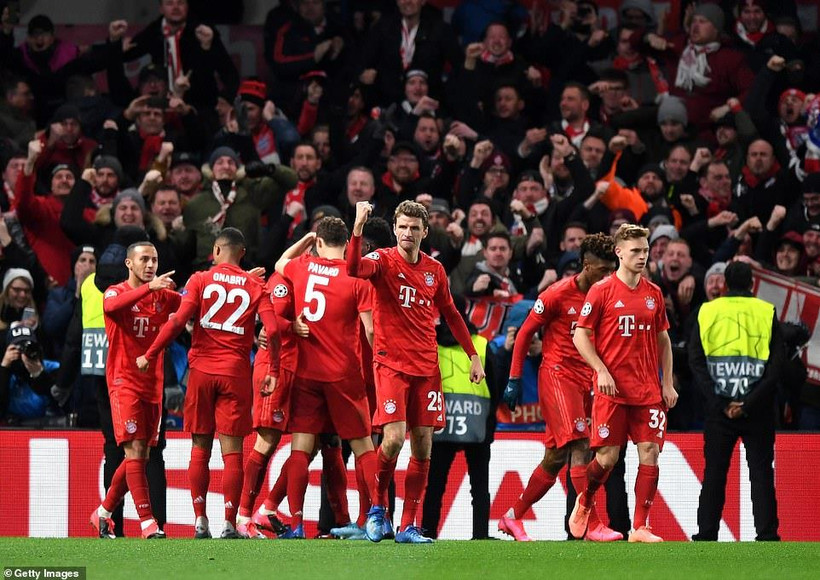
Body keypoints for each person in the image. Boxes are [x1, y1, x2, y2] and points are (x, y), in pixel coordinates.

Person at [346, 199, 486, 544]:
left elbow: (452, 314)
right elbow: (352, 268)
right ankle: (377, 510)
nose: (407, 233)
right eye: (402, 227)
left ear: (425, 232)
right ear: (394, 229)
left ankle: (409, 525)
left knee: (423, 448)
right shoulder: (381, 260)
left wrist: (473, 355)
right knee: (393, 439)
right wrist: (358, 227)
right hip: (391, 364)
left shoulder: (434, 271)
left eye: (414, 228)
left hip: (427, 367)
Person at [137, 227, 279, 539]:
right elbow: (273, 329)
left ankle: (200, 520)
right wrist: (274, 370)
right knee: (233, 452)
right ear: (242, 254)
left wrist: (150, 353)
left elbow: (177, 321)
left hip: (201, 372)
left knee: (199, 448)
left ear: (215, 251)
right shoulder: (255, 284)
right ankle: (229, 523)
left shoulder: (200, 279)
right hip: (235, 373)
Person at [498, 233, 620, 542]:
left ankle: (512, 517)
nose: (608, 276)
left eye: (611, 270)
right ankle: (592, 523)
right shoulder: (557, 294)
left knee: (554, 458)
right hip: (556, 375)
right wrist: (514, 378)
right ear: (586, 265)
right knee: (579, 444)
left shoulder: (605, 296)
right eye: (603, 270)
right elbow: (526, 333)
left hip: (585, 381)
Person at [272, 218, 379, 539]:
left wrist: (305, 241)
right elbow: (371, 329)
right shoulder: (355, 277)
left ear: (318, 242)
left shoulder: (302, 267)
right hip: (343, 373)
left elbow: (280, 263)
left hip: (306, 371)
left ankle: (295, 524)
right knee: (363, 446)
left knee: (301, 448)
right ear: (347, 244)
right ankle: (375, 517)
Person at [571, 223, 678, 543]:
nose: (642, 256)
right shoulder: (602, 291)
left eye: (645, 251)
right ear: (619, 253)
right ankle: (586, 500)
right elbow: (580, 335)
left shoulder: (654, 293)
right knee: (607, 459)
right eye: (636, 251)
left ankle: (641, 527)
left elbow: (664, 340)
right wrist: (600, 370)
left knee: (650, 452)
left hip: (647, 390)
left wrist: (667, 382)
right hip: (612, 390)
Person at [89, 241, 179, 540]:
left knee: (139, 455)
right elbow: (111, 306)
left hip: (153, 387)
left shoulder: (163, 297)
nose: (150, 264)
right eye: (144, 259)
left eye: (154, 259)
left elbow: (191, 304)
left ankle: (103, 512)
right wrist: (151, 288)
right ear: (129, 264)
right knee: (134, 451)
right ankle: (147, 523)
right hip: (123, 383)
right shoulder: (116, 291)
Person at [688, 260, 783, 541]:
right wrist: (749, 402)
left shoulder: (707, 311)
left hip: (719, 409)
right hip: (758, 408)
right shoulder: (766, 312)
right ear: (752, 283)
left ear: (726, 284)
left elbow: (696, 361)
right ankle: (767, 534)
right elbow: (775, 366)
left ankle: (707, 533)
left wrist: (720, 402)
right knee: (762, 473)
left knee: (715, 472)